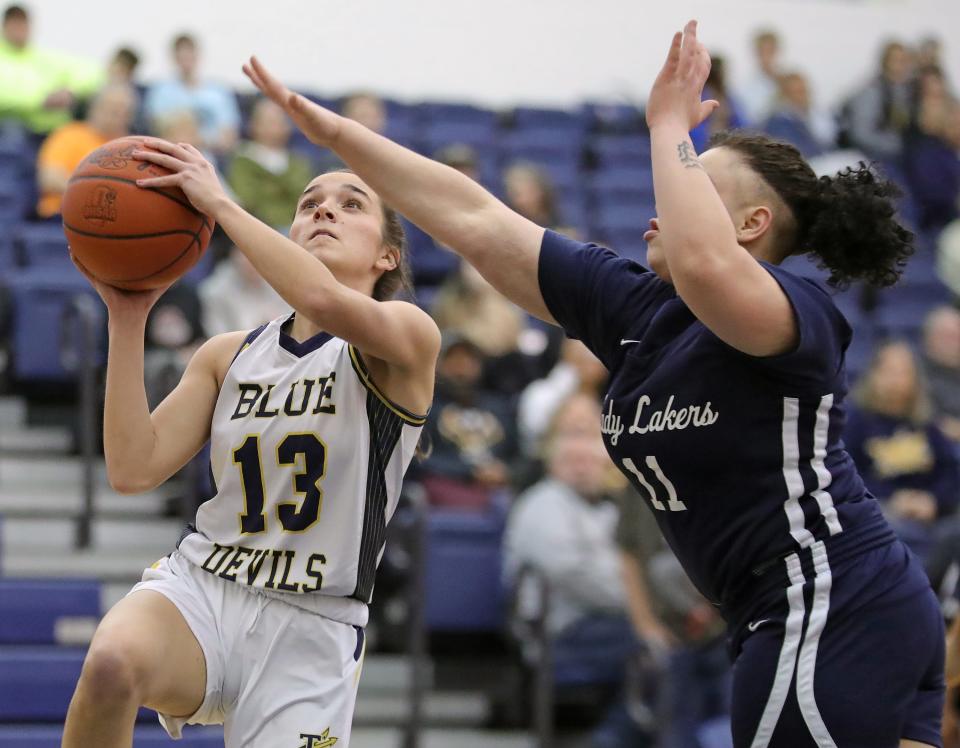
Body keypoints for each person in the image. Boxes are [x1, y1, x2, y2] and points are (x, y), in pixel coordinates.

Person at [244, 20, 943, 746]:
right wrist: (337, 136)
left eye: (693, 182)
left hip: (830, 599)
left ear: (751, 224)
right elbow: (474, 218)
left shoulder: (798, 313)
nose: (662, 197)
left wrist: (669, 123)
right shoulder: (635, 307)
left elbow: (707, 264)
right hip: (792, 606)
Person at [62, 137, 440, 746]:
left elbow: (319, 297)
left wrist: (223, 204)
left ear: (388, 257)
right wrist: (126, 319)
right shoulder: (229, 354)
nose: (323, 210)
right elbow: (132, 469)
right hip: (206, 587)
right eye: (310, 203)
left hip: (314, 621)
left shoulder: (407, 338)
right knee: (111, 664)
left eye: (351, 205)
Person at [844, 340, 960, 561]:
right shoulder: (856, 422)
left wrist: (933, 500)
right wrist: (893, 499)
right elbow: (850, 475)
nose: (895, 380)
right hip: (880, 510)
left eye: (903, 372)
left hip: (929, 512)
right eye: (888, 371)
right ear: (873, 375)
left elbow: (950, 473)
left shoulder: (926, 423)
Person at [0, 3, 104, 137]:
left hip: (56, 131)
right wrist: (41, 101)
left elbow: (93, 72)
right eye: (14, 23)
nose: (19, 28)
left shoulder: (47, 58)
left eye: (23, 23)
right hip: (17, 131)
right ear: (4, 27)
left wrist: (71, 92)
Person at [35, 83, 136, 218]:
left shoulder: (133, 147)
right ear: (93, 108)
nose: (117, 115)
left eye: (124, 111)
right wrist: (96, 196)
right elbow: (50, 179)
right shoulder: (69, 133)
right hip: (61, 216)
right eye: (111, 108)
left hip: (114, 221)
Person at [145, 33, 240, 156]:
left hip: (210, 159)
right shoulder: (160, 92)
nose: (186, 59)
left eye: (189, 53)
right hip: (171, 156)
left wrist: (198, 140)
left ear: (197, 55)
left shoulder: (219, 92)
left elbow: (229, 138)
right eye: (182, 55)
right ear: (174, 57)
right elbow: (157, 132)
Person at [227, 97, 314, 229]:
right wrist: (283, 188)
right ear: (254, 125)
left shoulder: (297, 162)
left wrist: (267, 185)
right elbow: (247, 198)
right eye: (268, 121)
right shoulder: (242, 160)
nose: (274, 126)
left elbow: (304, 197)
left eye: (279, 121)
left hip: (295, 227)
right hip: (257, 228)